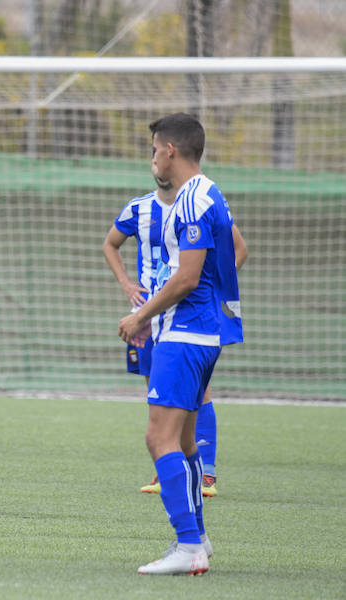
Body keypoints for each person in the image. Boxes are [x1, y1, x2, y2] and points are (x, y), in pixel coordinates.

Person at [118, 113, 243, 575]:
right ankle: (200, 539)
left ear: (170, 149)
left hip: (184, 333)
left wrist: (139, 316)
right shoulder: (209, 192)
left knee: (159, 437)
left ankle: (187, 544)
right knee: (186, 440)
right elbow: (233, 254)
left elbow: (187, 277)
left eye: (154, 149)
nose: (152, 158)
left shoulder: (191, 199)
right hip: (201, 332)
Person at [103, 179, 247, 498]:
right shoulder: (139, 208)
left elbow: (239, 249)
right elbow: (109, 244)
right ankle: (168, 467)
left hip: (186, 316)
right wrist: (127, 284)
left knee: (198, 392)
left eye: (159, 153)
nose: (156, 162)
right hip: (147, 315)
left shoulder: (198, 205)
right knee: (157, 394)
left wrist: (213, 287)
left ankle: (206, 472)